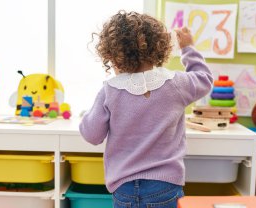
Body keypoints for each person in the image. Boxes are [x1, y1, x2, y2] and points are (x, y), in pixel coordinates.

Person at [79, 10, 212, 208]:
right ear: (158, 48)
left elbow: (92, 135)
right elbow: (204, 78)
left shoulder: (110, 90)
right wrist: (188, 48)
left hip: (123, 188)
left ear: (112, 54)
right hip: (166, 185)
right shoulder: (176, 83)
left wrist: (87, 115)